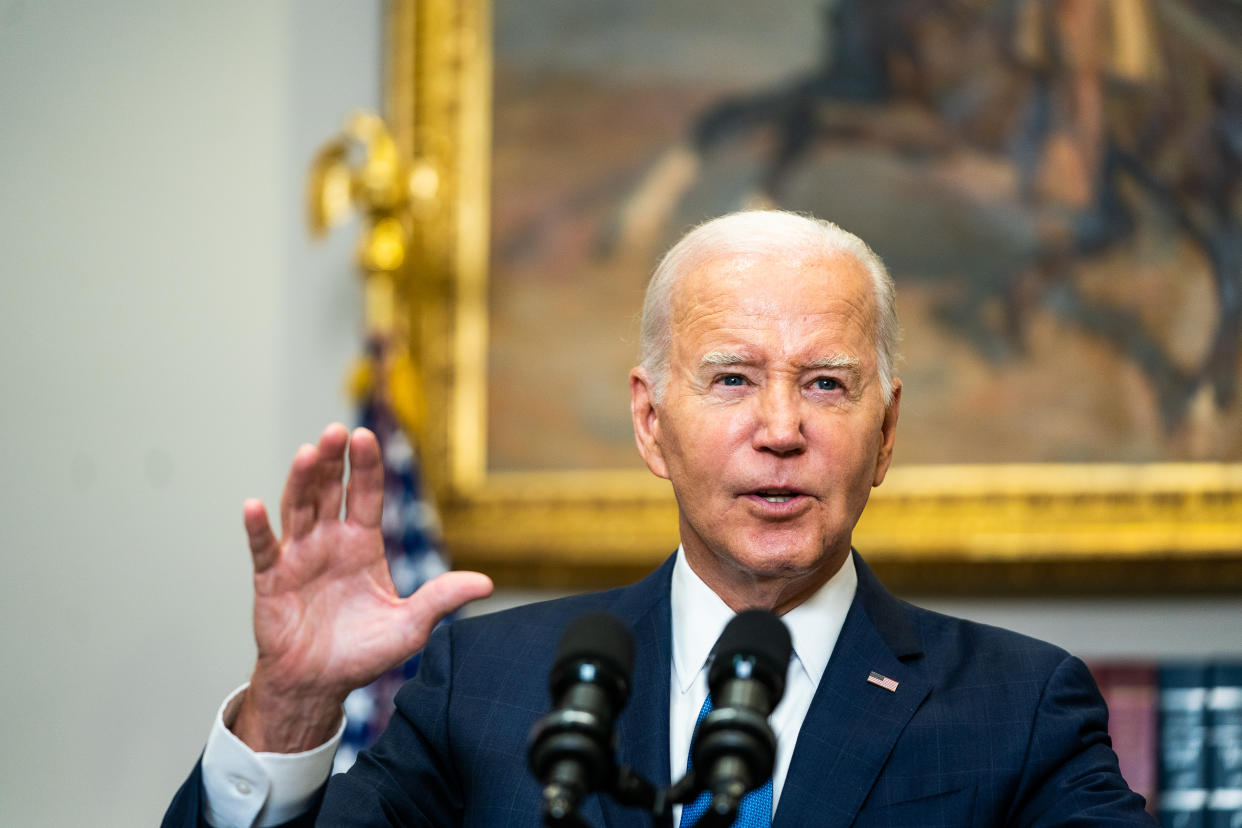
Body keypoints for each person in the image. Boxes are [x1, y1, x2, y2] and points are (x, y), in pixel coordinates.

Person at [165, 210, 1154, 827]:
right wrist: (290, 708)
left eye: (825, 384)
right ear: (651, 423)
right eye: (731, 380)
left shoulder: (1020, 709)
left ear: (885, 432)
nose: (781, 429)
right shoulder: (489, 687)